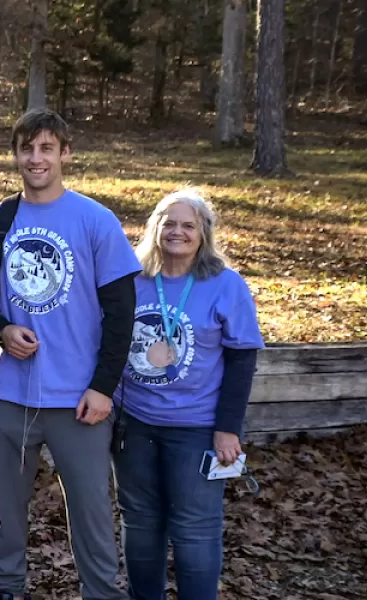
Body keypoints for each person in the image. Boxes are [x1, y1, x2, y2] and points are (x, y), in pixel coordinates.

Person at [0, 109, 139, 600]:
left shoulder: (96, 221)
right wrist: (1, 331)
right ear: (16, 155)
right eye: (27, 149)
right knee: (7, 506)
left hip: (80, 400)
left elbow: (122, 312)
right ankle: (7, 587)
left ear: (65, 152)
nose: (35, 158)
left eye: (46, 148)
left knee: (90, 508)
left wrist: (103, 387)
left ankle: (101, 592)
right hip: (8, 394)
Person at [113, 190, 263, 600]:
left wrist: (227, 429)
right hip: (134, 423)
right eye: (169, 222)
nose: (177, 232)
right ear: (154, 228)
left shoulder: (225, 284)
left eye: (188, 225)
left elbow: (242, 359)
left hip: (196, 428)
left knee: (195, 528)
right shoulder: (132, 279)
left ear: (203, 234)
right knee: (140, 521)